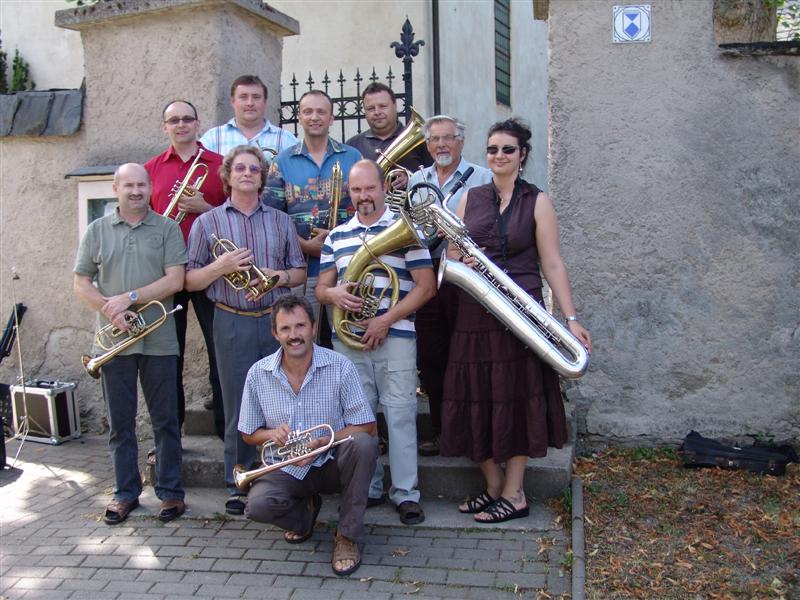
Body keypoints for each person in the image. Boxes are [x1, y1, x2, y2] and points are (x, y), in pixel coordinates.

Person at [440, 119, 592, 523]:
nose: (499, 156)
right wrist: (464, 260)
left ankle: (515, 492)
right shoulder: (468, 199)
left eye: (508, 149)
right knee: (473, 396)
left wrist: (571, 318)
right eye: (492, 149)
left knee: (517, 396)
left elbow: (552, 263)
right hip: (476, 312)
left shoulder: (538, 201)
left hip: (522, 314)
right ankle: (493, 485)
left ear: (522, 154)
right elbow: (451, 256)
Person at [185, 145, 306, 515]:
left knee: (283, 400)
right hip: (231, 319)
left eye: (254, 169)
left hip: (275, 321)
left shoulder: (281, 221)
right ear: (228, 176)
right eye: (240, 168)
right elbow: (190, 280)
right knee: (238, 403)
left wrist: (278, 276)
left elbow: (300, 272)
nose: (247, 174)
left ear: (262, 177)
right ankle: (237, 482)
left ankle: (282, 476)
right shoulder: (207, 223)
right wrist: (220, 267)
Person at [316, 159, 435, 525]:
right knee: (359, 419)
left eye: (370, 188)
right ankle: (367, 488)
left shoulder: (406, 229)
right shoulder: (336, 237)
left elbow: (426, 287)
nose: (364, 196)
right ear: (349, 193)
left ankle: (406, 494)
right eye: (356, 190)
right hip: (349, 342)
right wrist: (334, 295)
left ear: (384, 188)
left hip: (395, 337)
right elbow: (321, 288)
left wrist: (385, 319)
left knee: (400, 415)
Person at [74, 163, 187, 525]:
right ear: (115, 188)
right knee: (120, 423)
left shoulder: (167, 228)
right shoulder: (97, 230)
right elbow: (81, 282)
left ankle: (170, 492)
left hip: (160, 340)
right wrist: (110, 310)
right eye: (128, 185)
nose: (136, 191)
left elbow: (175, 280)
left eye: (141, 185)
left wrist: (130, 297)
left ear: (150, 188)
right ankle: (125, 493)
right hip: (114, 342)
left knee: (166, 420)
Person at [239, 295, 378, 576]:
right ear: (275, 333)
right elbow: (247, 434)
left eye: (300, 326)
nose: (294, 335)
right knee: (258, 506)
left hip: (330, 462)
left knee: (363, 445)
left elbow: (366, 425)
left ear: (313, 328)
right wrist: (270, 434)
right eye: (286, 328)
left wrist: (324, 442)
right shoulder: (258, 374)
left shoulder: (340, 366)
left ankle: (347, 536)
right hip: (287, 466)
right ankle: (304, 517)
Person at [406, 115, 493, 456]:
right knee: (432, 357)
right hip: (427, 276)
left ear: (461, 142)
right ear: (427, 145)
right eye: (434, 140)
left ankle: (475, 431)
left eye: (448, 138)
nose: (441, 145)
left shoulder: (482, 178)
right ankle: (444, 431)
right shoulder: (417, 180)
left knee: (469, 355)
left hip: (464, 277)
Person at [144, 99, 226, 441]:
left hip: (211, 268)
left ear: (197, 123)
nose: (181, 125)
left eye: (187, 119)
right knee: (168, 356)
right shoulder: (150, 169)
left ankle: (225, 432)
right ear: (165, 127)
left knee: (219, 351)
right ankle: (170, 437)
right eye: (174, 120)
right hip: (167, 272)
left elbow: (235, 214)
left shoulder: (219, 165)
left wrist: (204, 207)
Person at [263, 90, 362, 337]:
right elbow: (272, 219)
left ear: (332, 118)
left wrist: (336, 242)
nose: (314, 117)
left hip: (347, 267)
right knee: (303, 339)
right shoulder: (282, 162)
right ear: (299, 117)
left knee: (347, 337)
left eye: (321, 112)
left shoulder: (353, 157)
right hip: (302, 270)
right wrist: (305, 245)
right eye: (308, 111)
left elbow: (367, 208)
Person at [345, 82, 432, 190]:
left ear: (395, 106)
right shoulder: (353, 145)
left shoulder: (421, 141)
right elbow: (348, 185)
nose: (377, 112)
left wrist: (412, 179)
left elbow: (435, 177)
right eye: (371, 108)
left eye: (383, 106)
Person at [200, 74, 298, 157]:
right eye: (243, 97)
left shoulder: (286, 139)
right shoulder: (213, 138)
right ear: (233, 101)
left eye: (256, 97)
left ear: (265, 101)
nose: (250, 103)